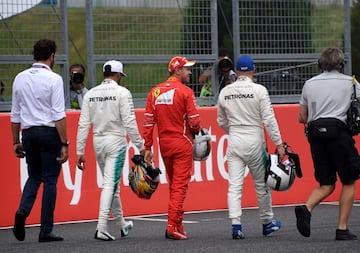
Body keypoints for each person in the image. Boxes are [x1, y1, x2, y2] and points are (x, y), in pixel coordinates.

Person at [217, 55, 285, 239]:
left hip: (235, 140)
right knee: (262, 184)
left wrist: (233, 130)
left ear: (236, 71)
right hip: (255, 141)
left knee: (234, 186)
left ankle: (236, 225)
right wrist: (278, 143)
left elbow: (221, 121)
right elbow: (269, 119)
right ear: (253, 70)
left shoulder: (225, 92)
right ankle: (267, 222)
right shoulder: (259, 90)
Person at [76, 60, 145, 241]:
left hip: (97, 142)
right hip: (116, 142)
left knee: (111, 185)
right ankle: (101, 227)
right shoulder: (122, 92)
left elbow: (83, 123)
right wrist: (141, 146)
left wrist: (79, 151)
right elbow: (130, 121)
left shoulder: (90, 94)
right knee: (110, 184)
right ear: (117, 75)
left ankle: (122, 224)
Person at [296, 47, 359, 240]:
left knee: (326, 183)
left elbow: (302, 117)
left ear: (320, 64)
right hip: (340, 135)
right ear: (341, 64)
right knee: (348, 181)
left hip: (316, 137)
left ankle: (306, 208)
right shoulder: (352, 83)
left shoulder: (309, 84)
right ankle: (342, 228)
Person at [10, 39, 68, 242]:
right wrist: (64, 143)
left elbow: (15, 113)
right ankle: (45, 229)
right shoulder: (54, 79)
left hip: (28, 133)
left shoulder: (20, 77)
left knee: (34, 176)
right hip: (49, 133)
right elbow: (58, 114)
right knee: (50, 180)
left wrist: (15, 141)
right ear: (52, 56)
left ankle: (22, 211)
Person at [143, 56, 201, 240]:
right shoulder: (186, 92)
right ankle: (171, 226)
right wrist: (198, 130)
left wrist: (147, 147)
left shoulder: (154, 92)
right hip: (182, 142)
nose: (189, 72)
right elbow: (194, 123)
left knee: (174, 184)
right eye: (187, 69)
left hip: (164, 144)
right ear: (177, 71)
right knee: (180, 186)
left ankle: (178, 223)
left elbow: (148, 122)